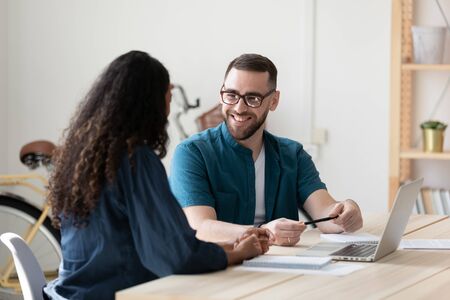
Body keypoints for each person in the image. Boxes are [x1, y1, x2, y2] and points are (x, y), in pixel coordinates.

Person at [44, 51, 269, 300]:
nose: (169, 109)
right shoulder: (135, 159)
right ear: (149, 103)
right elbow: (173, 255)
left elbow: (167, 247)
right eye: (168, 96)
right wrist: (239, 253)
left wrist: (230, 247)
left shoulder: (81, 156)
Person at [170, 53, 363, 246]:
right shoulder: (192, 153)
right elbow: (200, 228)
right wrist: (262, 233)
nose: (239, 108)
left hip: (284, 268)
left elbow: (326, 214)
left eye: (252, 98)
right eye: (231, 95)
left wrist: (347, 210)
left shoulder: (293, 154)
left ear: (274, 101)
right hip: (223, 270)